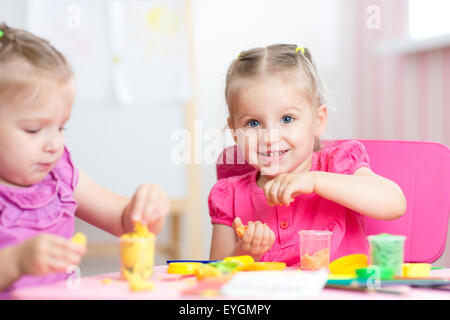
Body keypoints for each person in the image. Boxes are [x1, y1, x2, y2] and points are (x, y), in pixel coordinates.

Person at [0, 24, 170, 292]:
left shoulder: (58, 173)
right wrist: (15, 260)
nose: (54, 144)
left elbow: (124, 221)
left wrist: (145, 209)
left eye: (60, 127)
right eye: (34, 129)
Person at [208, 44, 406, 265]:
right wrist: (245, 252)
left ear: (318, 121)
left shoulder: (339, 165)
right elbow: (216, 271)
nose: (270, 137)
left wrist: (315, 181)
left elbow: (395, 204)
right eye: (253, 123)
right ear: (235, 132)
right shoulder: (229, 196)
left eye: (287, 119)